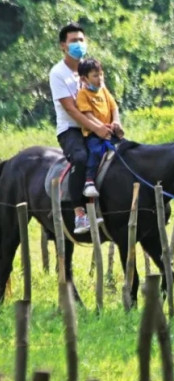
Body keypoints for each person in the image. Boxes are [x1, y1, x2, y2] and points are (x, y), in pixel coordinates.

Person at [49, 23, 111, 234]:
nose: (78, 44)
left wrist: (113, 124)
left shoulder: (91, 69)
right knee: (82, 158)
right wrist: (98, 128)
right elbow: (72, 110)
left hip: (97, 126)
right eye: (73, 41)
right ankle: (79, 214)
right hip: (71, 129)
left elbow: (108, 100)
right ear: (63, 46)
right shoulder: (58, 73)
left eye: (81, 40)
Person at [76, 58, 124, 198]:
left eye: (101, 74)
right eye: (95, 76)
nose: (100, 78)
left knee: (124, 149)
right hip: (94, 133)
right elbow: (87, 115)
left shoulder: (104, 90)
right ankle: (89, 181)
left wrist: (116, 122)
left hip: (110, 132)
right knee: (95, 152)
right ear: (84, 79)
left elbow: (114, 107)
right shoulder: (83, 94)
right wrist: (100, 127)